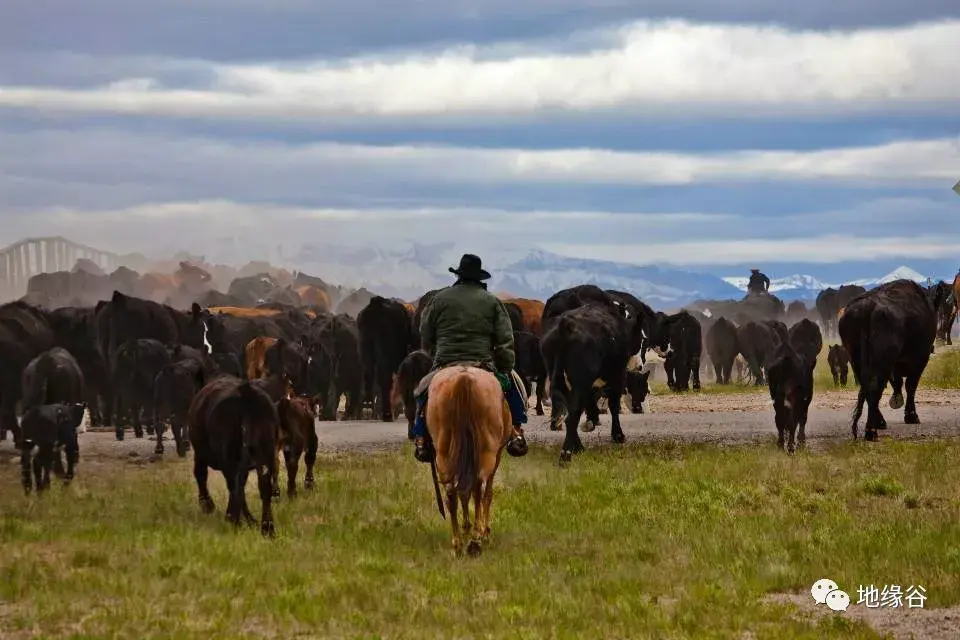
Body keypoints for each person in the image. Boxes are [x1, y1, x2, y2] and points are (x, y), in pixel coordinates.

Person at [411, 253, 528, 463]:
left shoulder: (439, 299)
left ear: (459, 275)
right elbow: (505, 339)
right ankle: (517, 432)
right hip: (483, 362)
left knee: (422, 392)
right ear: (479, 278)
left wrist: (436, 352)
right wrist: (505, 366)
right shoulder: (492, 302)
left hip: (445, 362)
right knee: (513, 390)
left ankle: (420, 436)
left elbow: (425, 331)